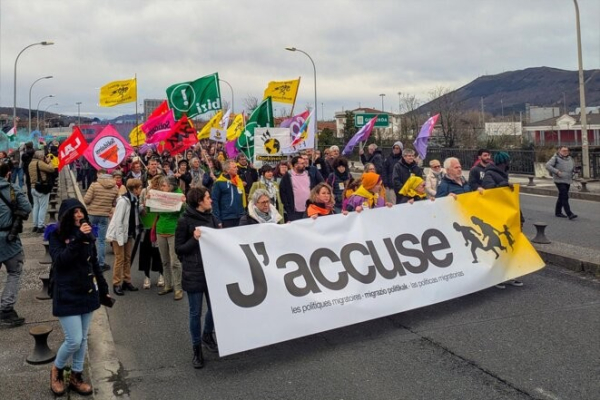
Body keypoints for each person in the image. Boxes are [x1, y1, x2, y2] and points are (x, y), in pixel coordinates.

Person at [48, 198, 112, 396]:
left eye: (81, 211)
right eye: (74, 212)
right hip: (66, 292)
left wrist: (103, 288)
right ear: (66, 216)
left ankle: (76, 375)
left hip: (87, 291)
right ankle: (56, 370)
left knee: (83, 338)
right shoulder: (56, 235)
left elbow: (94, 265)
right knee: (73, 339)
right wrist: (77, 240)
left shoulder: (88, 235)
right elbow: (61, 261)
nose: (79, 215)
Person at [175, 187, 220, 368]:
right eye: (208, 198)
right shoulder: (184, 221)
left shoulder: (211, 217)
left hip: (212, 270)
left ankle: (207, 334)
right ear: (199, 201)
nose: (211, 200)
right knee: (195, 313)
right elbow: (179, 249)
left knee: (215, 308)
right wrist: (194, 239)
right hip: (194, 272)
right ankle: (197, 349)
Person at [481, 152, 524, 289]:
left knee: (511, 246)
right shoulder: (490, 174)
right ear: (503, 162)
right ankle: (497, 277)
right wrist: (504, 185)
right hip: (499, 214)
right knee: (500, 247)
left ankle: (511, 274)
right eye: (507, 161)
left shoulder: (502, 173)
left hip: (509, 213)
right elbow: (490, 191)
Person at [0, 163, 31, 328]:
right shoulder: (12, 188)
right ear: (9, 174)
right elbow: (27, 207)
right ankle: (6, 309)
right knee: (14, 272)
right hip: (8, 239)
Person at [106, 178, 143, 296]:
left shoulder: (134, 199)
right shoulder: (123, 201)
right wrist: (120, 238)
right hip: (119, 235)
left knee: (128, 258)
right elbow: (118, 221)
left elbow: (135, 213)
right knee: (119, 259)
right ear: (135, 189)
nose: (141, 190)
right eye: (139, 188)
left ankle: (127, 281)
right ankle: (116, 283)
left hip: (129, 233)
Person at [153, 176, 185, 300]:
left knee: (175, 262)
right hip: (161, 229)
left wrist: (183, 203)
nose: (162, 188)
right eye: (161, 185)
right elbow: (152, 210)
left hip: (173, 230)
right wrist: (149, 201)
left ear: (171, 186)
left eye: (164, 185)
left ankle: (178, 288)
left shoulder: (178, 194)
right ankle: (168, 285)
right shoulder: (160, 195)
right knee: (165, 260)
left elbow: (182, 212)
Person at [83, 169, 119, 271]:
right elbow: (115, 203)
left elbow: (86, 200)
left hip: (92, 214)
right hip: (104, 215)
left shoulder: (94, 185)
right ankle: (101, 263)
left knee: (90, 239)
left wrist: (92, 205)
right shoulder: (115, 187)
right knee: (101, 240)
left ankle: (89, 260)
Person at [138, 176, 164, 290]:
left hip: (159, 225)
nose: (157, 185)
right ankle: (146, 276)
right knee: (145, 252)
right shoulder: (145, 191)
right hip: (146, 226)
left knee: (159, 252)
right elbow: (138, 207)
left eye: (160, 184)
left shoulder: (164, 193)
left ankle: (161, 275)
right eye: (155, 183)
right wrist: (144, 203)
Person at [280, 156, 323, 222]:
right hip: (294, 212)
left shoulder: (309, 175)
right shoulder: (287, 176)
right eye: (302, 163)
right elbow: (283, 193)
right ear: (295, 165)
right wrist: (287, 207)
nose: (304, 165)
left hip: (310, 210)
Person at [211, 159, 246, 228]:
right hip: (227, 218)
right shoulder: (219, 183)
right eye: (234, 167)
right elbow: (214, 201)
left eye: (236, 167)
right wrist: (217, 220)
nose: (237, 169)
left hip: (240, 216)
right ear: (227, 170)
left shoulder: (238, 181)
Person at [545, 146, 577, 220]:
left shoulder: (570, 159)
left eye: (566, 151)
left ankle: (558, 212)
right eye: (563, 150)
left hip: (568, 179)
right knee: (565, 196)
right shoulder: (555, 158)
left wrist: (575, 171)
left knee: (561, 196)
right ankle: (569, 213)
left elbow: (572, 168)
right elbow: (547, 165)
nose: (565, 152)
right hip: (559, 180)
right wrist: (557, 172)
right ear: (559, 151)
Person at [28, 150, 55, 233]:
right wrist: (49, 162)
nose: (44, 157)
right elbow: (51, 169)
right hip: (41, 188)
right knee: (43, 207)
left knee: (36, 206)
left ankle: (35, 225)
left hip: (33, 187)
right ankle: (41, 225)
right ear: (40, 156)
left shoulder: (31, 163)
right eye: (43, 155)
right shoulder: (39, 163)